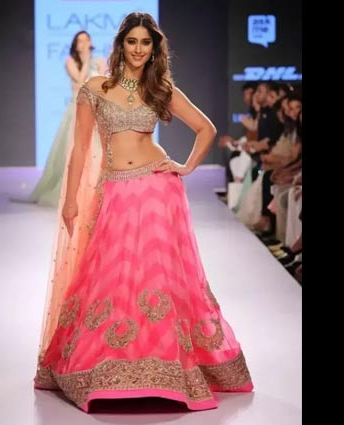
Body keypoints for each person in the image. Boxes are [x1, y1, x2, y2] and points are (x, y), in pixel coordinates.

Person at [34, 12, 253, 412]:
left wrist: (186, 166)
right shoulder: (95, 89)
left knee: (158, 279)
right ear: (121, 45)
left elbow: (205, 128)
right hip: (115, 190)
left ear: (154, 49)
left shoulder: (160, 89)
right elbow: (80, 148)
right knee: (112, 276)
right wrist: (70, 200)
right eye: (132, 41)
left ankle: (162, 369)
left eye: (146, 43)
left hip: (157, 190)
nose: (138, 49)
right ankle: (109, 365)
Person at [26, 31, 107, 207]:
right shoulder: (70, 61)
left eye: (86, 40)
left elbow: (102, 84)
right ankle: (72, 191)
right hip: (77, 109)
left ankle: (93, 189)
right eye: (80, 41)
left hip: (96, 109)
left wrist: (96, 68)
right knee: (74, 148)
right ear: (75, 45)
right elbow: (80, 79)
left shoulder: (100, 60)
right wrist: (86, 60)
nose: (83, 43)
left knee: (95, 149)